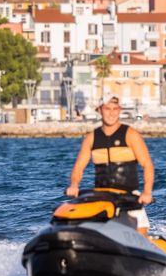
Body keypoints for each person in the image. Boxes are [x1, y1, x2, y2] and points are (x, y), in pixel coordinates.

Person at [66, 95, 155, 235]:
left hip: (130, 196)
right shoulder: (91, 138)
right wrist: (74, 185)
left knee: (141, 234)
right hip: (102, 196)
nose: (111, 113)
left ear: (120, 110)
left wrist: (147, 192)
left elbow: (147, 165)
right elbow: (79, 167)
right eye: (107, 108)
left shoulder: (130, 134)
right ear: (100, 110)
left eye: (115, 109)